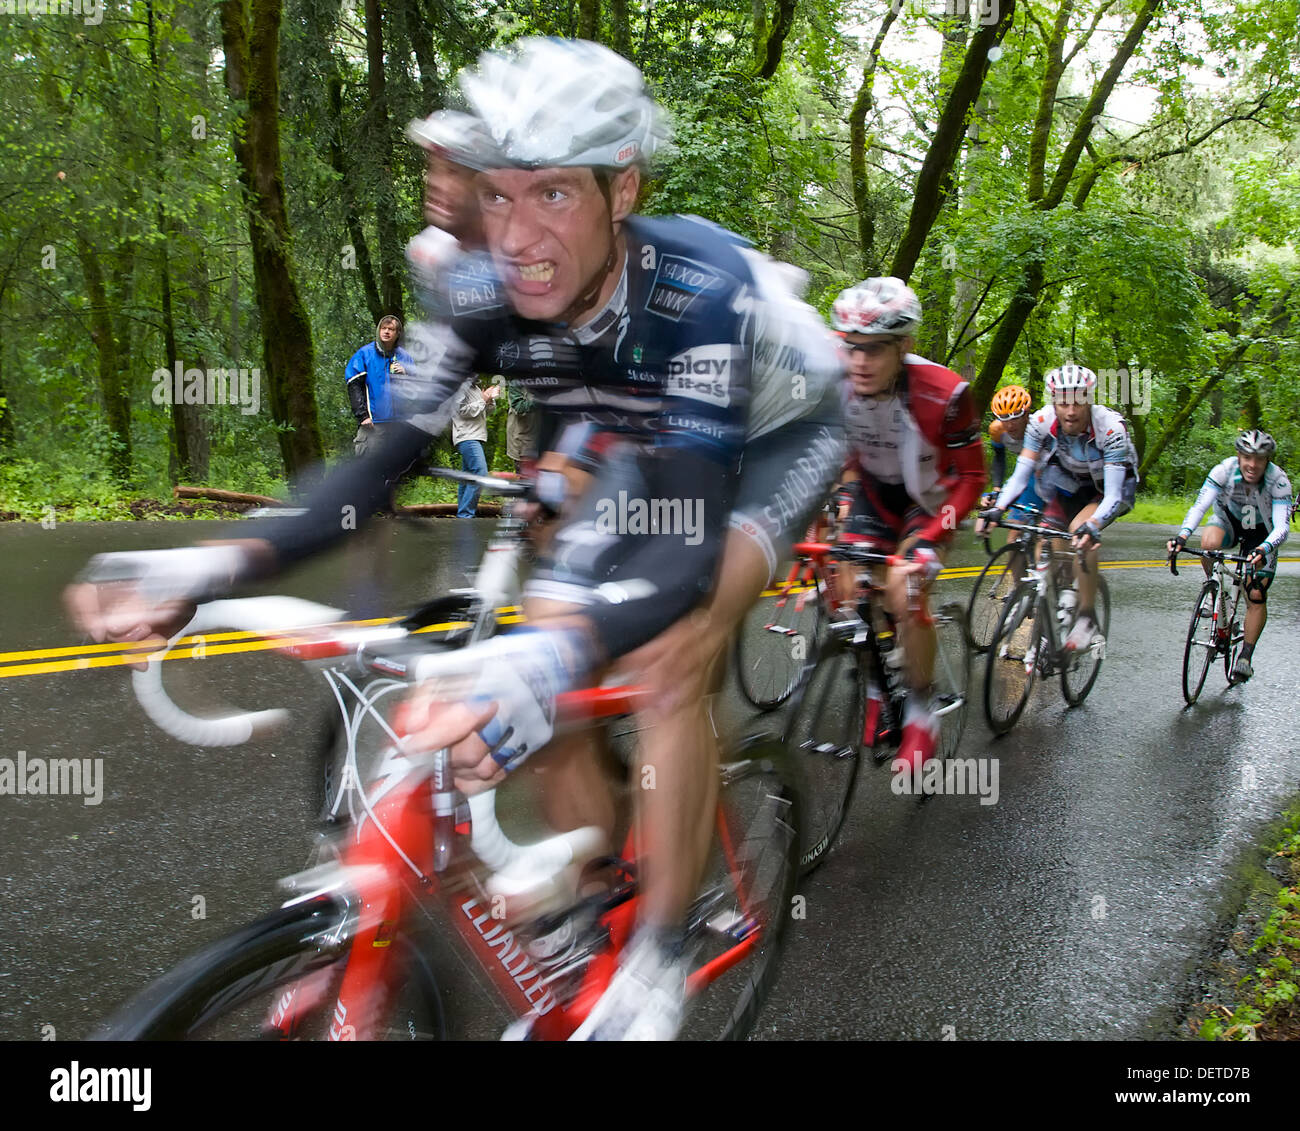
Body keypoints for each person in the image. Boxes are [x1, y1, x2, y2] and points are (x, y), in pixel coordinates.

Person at [65, 37, 844, 1041]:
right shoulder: (475, 287)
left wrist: (562, 647)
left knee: (666, 648)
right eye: (497, 193)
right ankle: (601, 882)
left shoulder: (694, 286)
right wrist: (219, 561)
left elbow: (683, 552)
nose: (517, 233)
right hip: (634, 436)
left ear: (622, 191)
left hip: (776, 435)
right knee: (553, 633)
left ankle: (659, 952)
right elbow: (375, 469)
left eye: (554, 195)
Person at [829, 277, 986, 779]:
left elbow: (973, 475)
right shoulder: (829, 379)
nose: (860, 362)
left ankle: (920, 708)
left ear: (905, 346)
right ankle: (876, 685)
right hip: (873, 487)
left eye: (874, 350)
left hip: (926, 500)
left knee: (904, 583)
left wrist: (934, 537)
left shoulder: (946, 393)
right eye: (852, 348)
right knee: (846, 580)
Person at [982, 364, 1139, 653]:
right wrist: (997, 507)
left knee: (1081, 534)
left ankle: (1087, 616)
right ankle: (1054, 608)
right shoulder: (1041, 421)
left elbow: (1113, 494)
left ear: (1089, 399)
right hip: (1071, 483)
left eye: (1078, 401)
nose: (1070, 410)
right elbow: (1020, 473)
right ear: (1054, 401)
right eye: (1063, 402)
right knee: (1047, 542)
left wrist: (1093, 526)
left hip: (1108, 488)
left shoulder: (1112, 428)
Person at [1166, 430, 1292, 683]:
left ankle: (1245, 656)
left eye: (1259, 458)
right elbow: (1200, 506)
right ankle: (1217, 596)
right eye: (1247, 457)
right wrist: (1181, 536)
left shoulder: (1278, 481)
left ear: (1268, 460)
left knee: (1255, 594)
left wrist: (1264, 549)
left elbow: (1282, 527)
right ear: (1239, 455)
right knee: (1208, 543)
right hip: (1229, 523)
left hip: (1263, 534)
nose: (1252, 464)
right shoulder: (1223, 470)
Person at [345, 316, 413, 456]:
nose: (387, 332)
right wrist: (362, 416)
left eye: (391, 329)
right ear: (378, 330)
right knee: (370, 469)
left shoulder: (405, 357)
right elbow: (354, 386)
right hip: (374, 424)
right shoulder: (365, 354)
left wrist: (407, 373)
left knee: (397, 469)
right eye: (384, 328)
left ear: (397, 333)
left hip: (400, 424)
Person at [450, 378, 500, 516]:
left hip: (476, 436)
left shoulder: (476, 388)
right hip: (466, 436)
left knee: (468, 477)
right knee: (480, 472)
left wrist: (489, 399)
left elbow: (485, 412)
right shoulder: (461, 387)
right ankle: (465, 514)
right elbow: (461, 411)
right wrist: (483, 400)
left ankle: (463, 515)